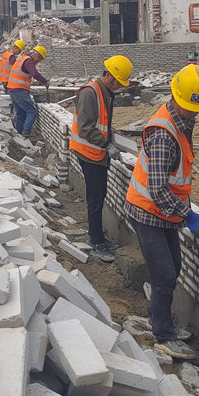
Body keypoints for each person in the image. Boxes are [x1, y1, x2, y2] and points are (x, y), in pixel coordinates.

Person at [125, 63, 199, 359]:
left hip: (165, 212)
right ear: (176, 96)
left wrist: (182, 212)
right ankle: (163, 336)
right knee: (164, 274)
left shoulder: (181, 120)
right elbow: (158, 189)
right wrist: (188, 215)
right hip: (148, 211)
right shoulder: (164, 134)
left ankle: (159, 320)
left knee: (172, 269)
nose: (194, 113)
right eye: (190, 107)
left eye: (197, 109)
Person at [69, 55, 134, 263]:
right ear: (109, 76)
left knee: (100, 195)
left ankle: (98, 237)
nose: (119, 87)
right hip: (89, 153)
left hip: (97, 152)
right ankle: (96, 242)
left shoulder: (105, 92)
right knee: (96, 199)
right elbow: (86, 128)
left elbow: (102, 123)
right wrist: (107, 145)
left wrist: (112, 139)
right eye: (118, 83)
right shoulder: (90, 93)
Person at [5, 45, 49, 136]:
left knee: (20, 113)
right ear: (37, 55)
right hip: (19, 90)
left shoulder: (23, 58)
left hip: (12, 89)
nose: (39, 62)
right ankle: (26, 132)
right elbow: (34, 74)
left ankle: (18, 134)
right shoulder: (29, 61)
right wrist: (44, 81)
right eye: (40, 59)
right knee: (31, 111)